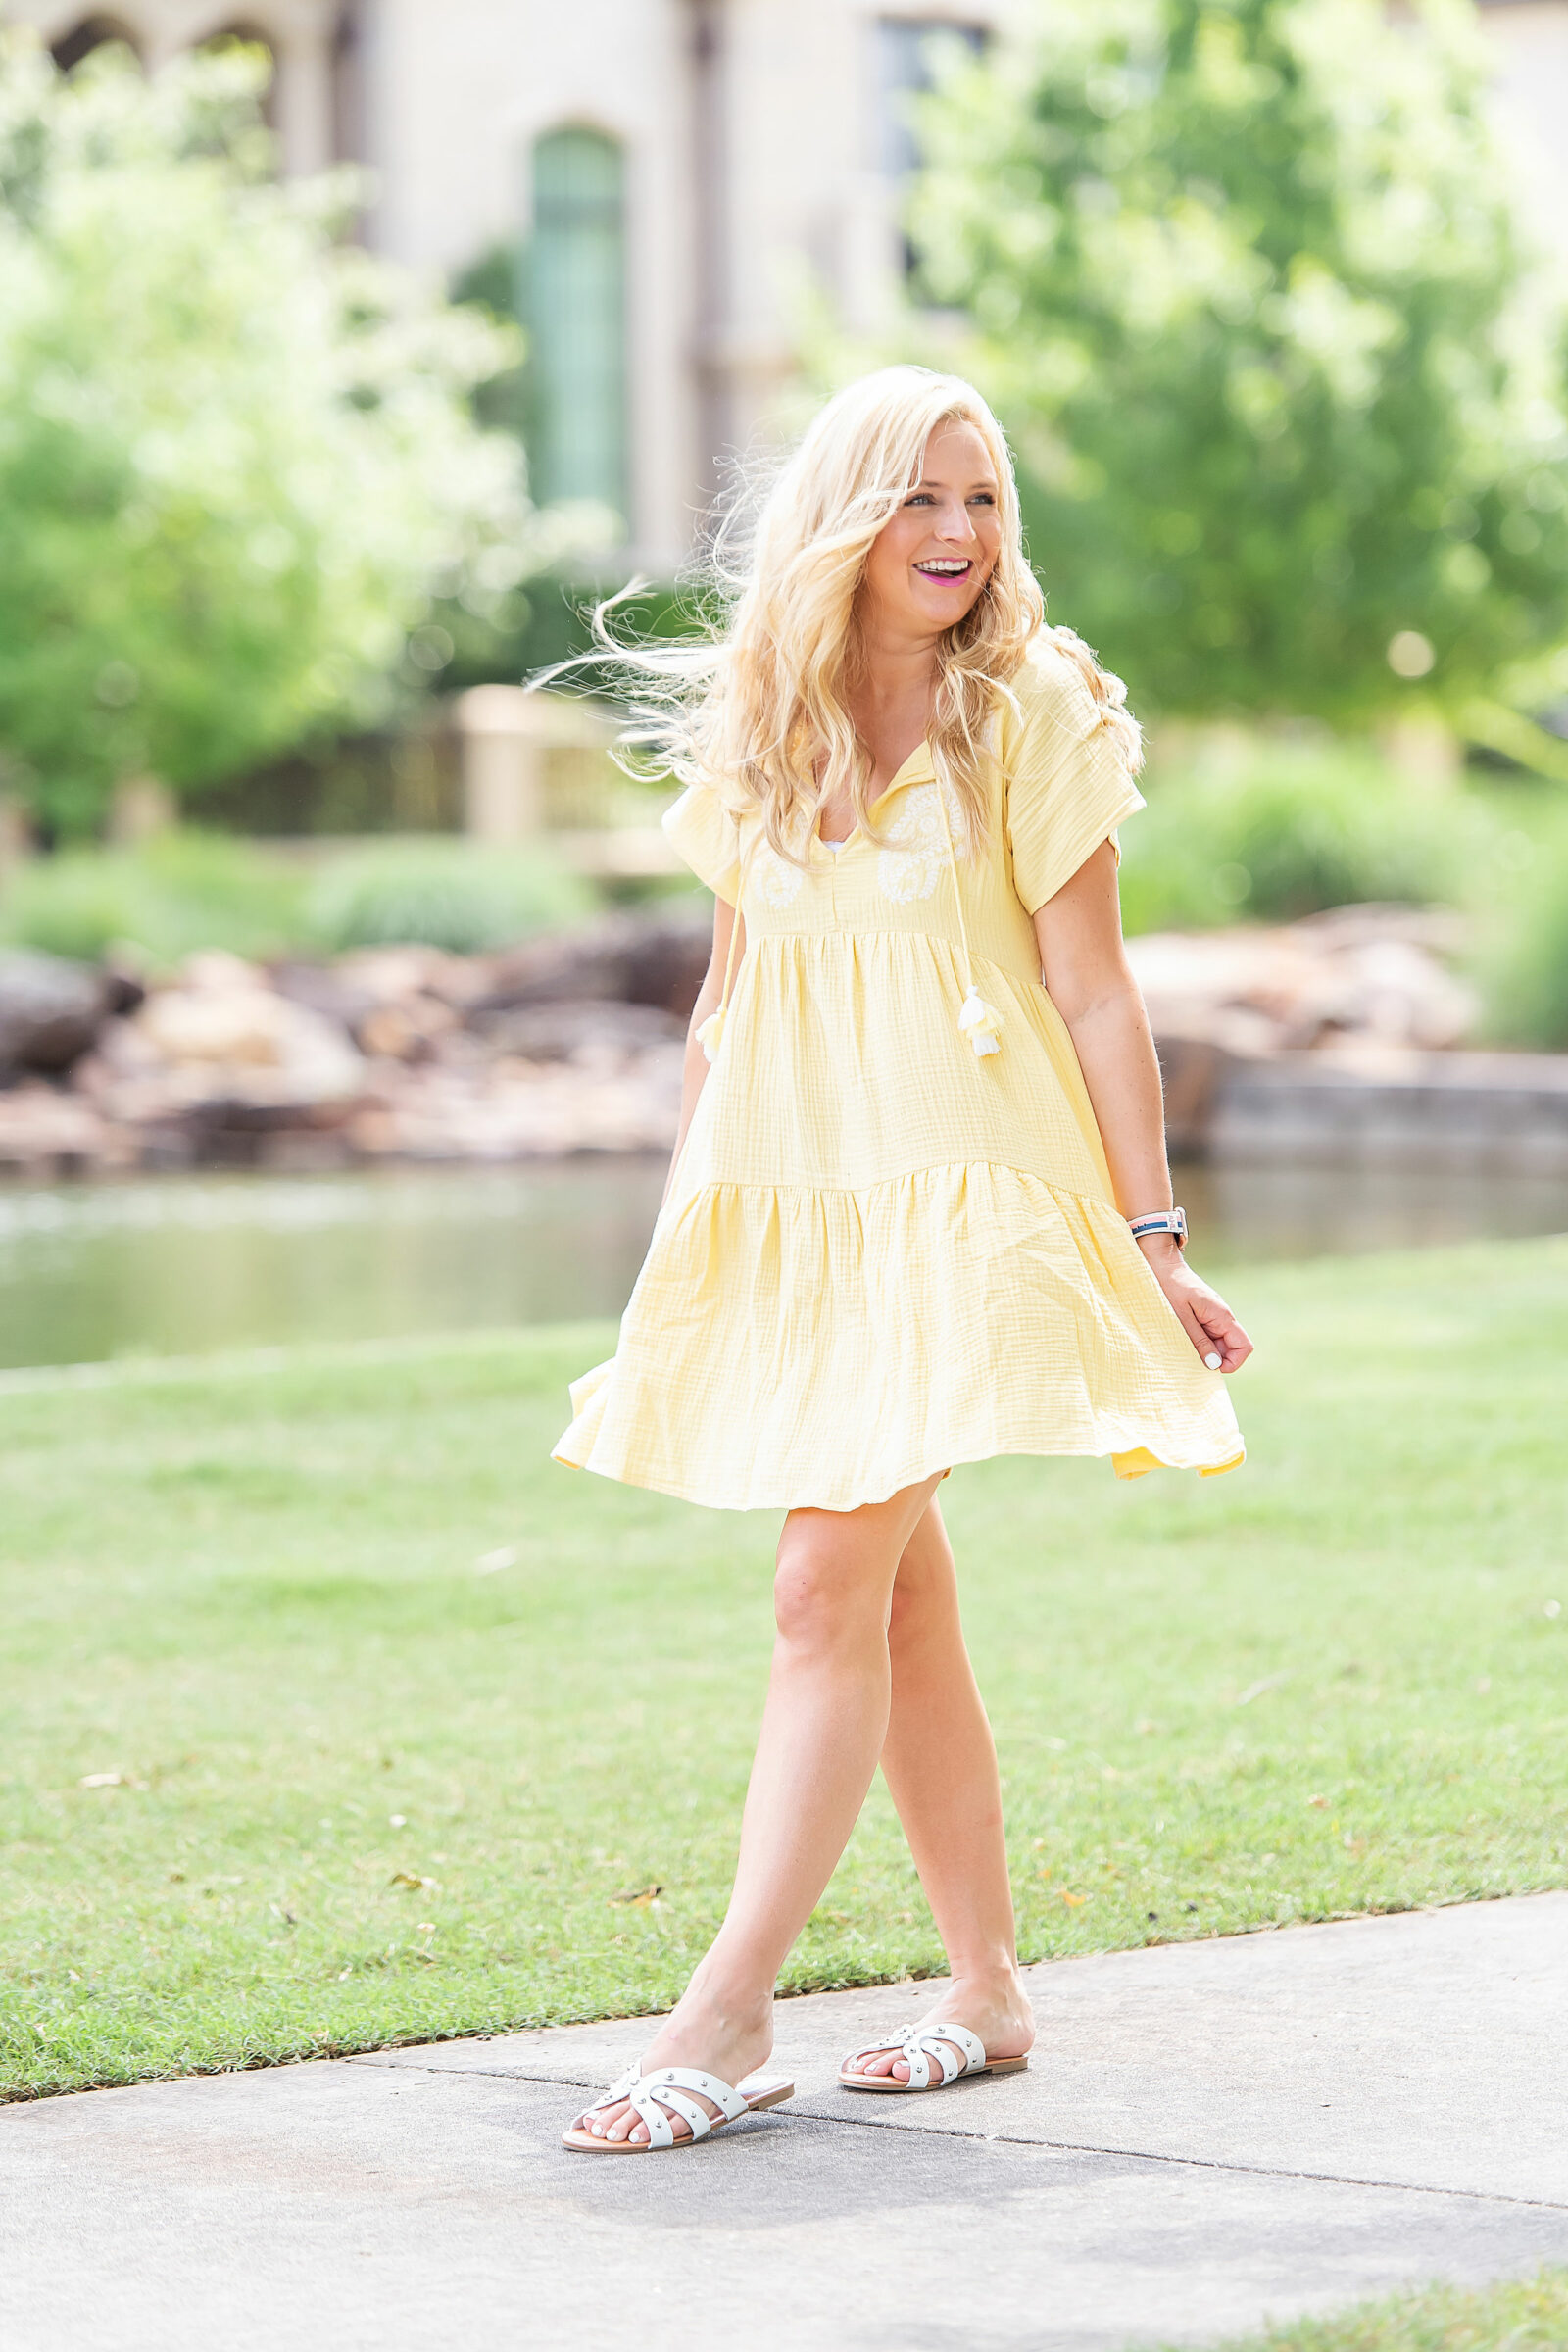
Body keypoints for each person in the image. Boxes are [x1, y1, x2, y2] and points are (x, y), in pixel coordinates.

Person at [553, 367, 1250, 2154]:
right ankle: (989, 1989)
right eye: (922, 499)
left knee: (817, 1587)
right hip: (799, 1199)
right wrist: (689, 1241)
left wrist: (1152, 1234)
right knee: (899, 1595)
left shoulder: (1028, 706)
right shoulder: (759, 717)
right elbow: (727, 1000)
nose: (959, 535)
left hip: (976, 1192)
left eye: (985, 500)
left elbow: (1095, 990)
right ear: (848, 515)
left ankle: (727, 2008)